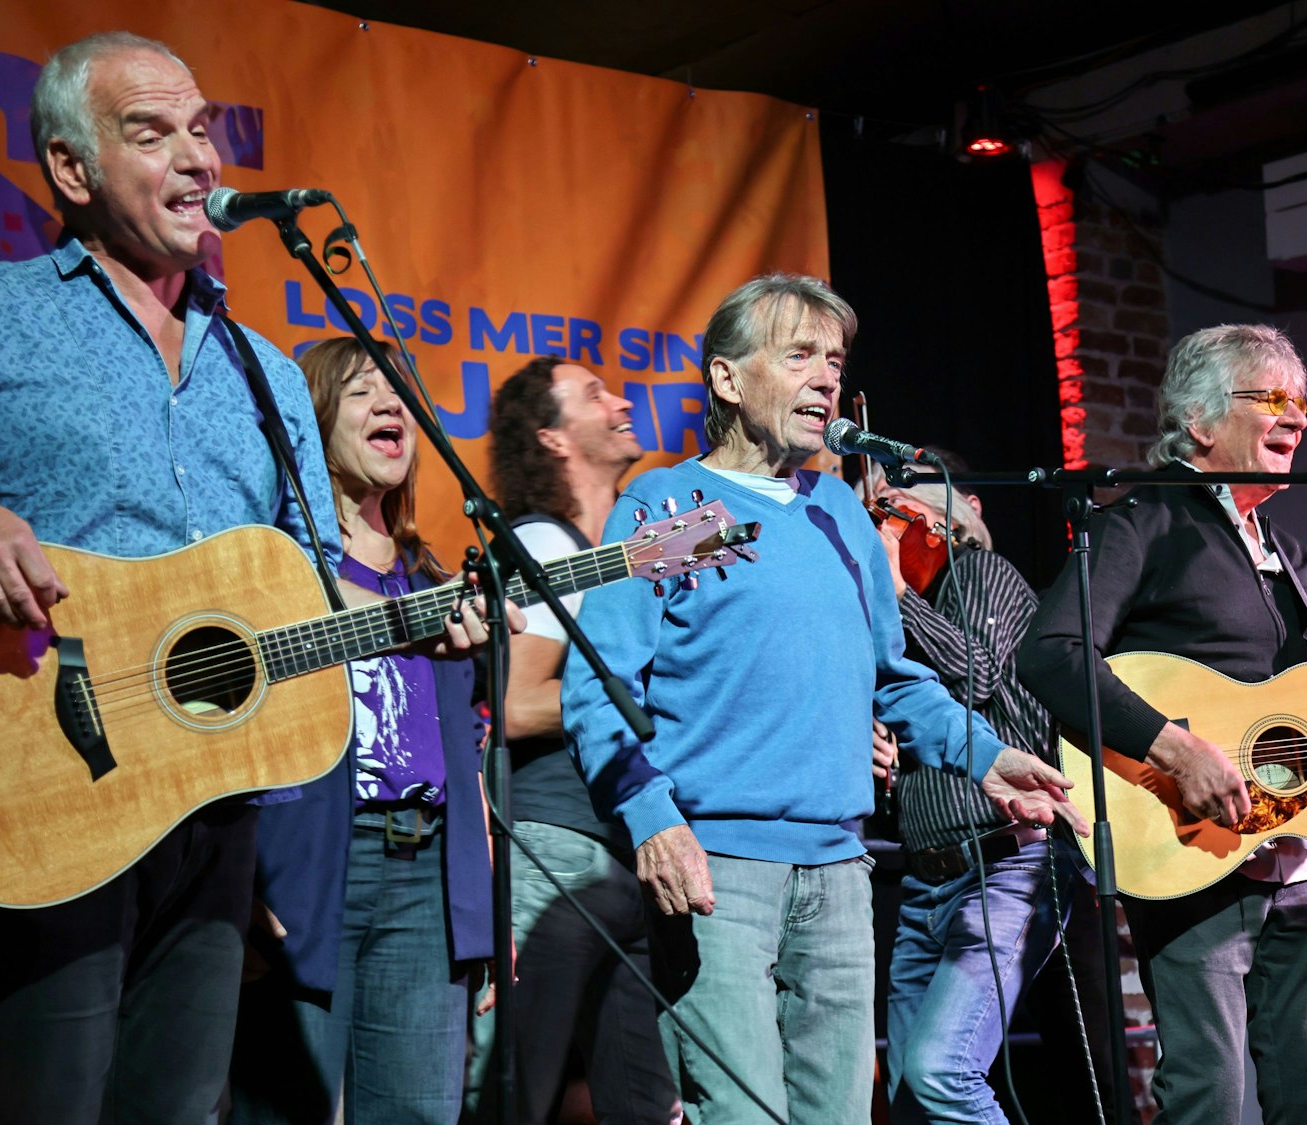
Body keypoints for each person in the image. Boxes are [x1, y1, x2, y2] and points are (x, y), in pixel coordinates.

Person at [0, 32, 489, 1122]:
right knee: (54, 1102)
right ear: (70, 170)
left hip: (216, 802)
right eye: (151, 132)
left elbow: (311, 583)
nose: (196, 158)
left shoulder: (263, 371)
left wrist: (417, 623)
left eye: (201, 129)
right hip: (43, 777)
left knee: (179, 1110)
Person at [561, 272, 1085, 1124]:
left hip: (842, 871)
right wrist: (650, 815)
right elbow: (599, 680)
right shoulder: (678, 508)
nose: (826, 378)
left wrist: (984, 757)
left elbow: (891, 674)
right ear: (728, 380)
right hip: (719, 873)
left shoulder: (838, 510)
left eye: (834, 361)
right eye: (798, 354)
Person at [1015, 324, 1307, 1124]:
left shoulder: (1290, 554)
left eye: (1303, 403)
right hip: (1193, 853)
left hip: (1301, 859)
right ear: (1201, 420)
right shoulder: (1144, 520)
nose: (1297, 417)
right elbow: (1050, 654)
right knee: (1208, 1096)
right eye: (1272, 397)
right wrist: (1176, 747)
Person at [228, 338, 502, 1123]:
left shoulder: (435, 579)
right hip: (308, 868)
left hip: (427, 880)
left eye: (398, 394)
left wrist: (477, 908)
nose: (391, 406)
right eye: (361, 393)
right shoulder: (277, 571)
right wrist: (235, 878)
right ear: (311, 423)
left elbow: (469, 758)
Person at [465, 356, 677, 1123]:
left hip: (622, 862)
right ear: (551, 437)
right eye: (594, 394)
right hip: (554, 852)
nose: (622, 400)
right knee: (510, 1098)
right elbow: (518, 703)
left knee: (645, 1106)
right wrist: (663, 710)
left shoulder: (620, 549)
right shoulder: (545, 548)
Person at [869, 469, 1090, 1124]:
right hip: (925, 883)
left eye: (895, 511)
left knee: (942, 1070)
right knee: (909, 1095)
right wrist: (887, 766)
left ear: (945, 518)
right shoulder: (899, 623)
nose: (881, 526)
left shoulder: (981, 571)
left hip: (1005, 868)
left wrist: (893, 591)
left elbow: (975, 670)